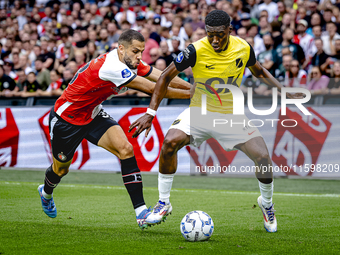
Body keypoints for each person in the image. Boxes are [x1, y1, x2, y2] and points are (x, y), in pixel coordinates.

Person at [129, 10, 303, 233]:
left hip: (230, 115)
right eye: (210, 34)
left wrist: (284, 91)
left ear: (230, 30)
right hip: (200, 111)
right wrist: (150, 113)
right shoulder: (195, 49)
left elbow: (259, 71)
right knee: (170, 142)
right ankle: (164, 203)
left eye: (220, 34)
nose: (214, 40)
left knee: (263, 157)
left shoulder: (243, 47)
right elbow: (164, 77)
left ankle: (267, 204)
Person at [37, 30, 191, 230]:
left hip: (92, 114)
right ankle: (46, 193)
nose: (139, 57)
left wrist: (193, 87)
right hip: (67, 120)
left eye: (141, 52)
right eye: (135, 51)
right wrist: (195, 94)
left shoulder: (130, 61)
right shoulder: (112, 67)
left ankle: (141, 212)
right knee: (61, 169)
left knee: (126, 149)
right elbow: (155, 89)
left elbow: (162, 77)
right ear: (121, 49)